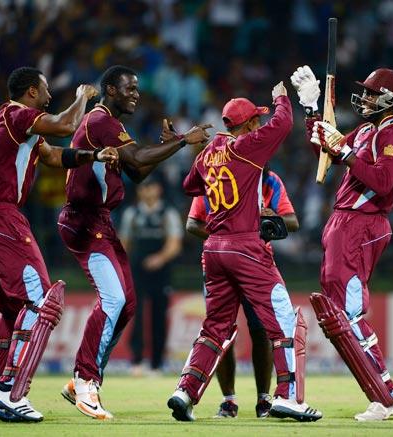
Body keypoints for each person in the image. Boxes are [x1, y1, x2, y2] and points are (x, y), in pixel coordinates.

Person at [0, 66, 118, 422]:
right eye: (45, 89)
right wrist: (83, 98)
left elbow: (51, 156)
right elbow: (65, 125)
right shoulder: (19, 114)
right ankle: (10, 392)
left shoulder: (9, 121)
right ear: (32, 92)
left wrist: (93, 156)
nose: (49, 94)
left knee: (13, 305)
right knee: (41, 300)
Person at [57, 65, 211, 420]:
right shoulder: (100, 121)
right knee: (113, 301)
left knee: (126, 305)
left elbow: (138, 170)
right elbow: (138, 159)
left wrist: (167, 145)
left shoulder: (111, 124)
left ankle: (81, 378)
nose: (136, 94)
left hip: (99, 222)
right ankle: (85, 380)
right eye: (129, 88)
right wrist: (183, 141)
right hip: (84, 221)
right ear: (110, 89)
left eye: (137, 89)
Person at [167, 83, 322, 422]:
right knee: (283, 321)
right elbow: (282, 124)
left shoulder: (209, 152)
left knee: (215, 327)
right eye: (255, 121)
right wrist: (281, 95)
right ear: (249, 125)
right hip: (246, 246)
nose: (258, 126)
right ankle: (287, 397)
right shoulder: (248, 147)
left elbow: (190, 186)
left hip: (213, 250)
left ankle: (185, 391)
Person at [290, 65, 393, 421]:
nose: (366, 98)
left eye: (373, 93)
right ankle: (384, 391)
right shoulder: (367, 130)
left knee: (350, 313)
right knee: (341, 315)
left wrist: (344, 153)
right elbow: (326, 157)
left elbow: (384, 181)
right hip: (345, 222)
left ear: (390, 99)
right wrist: (311, 110)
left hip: (362, 224)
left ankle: (387, 395)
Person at [186, 167, 299, 418]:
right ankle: (229, 401)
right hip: (222, 265)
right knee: (222, 334)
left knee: (261, 331)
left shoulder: (270, 180)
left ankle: (264, 400)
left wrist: (268, 219)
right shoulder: (214, 177)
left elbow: (292, 221)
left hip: (255, 264)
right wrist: (227, 236)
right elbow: (192, 223)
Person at [120, 173, 184, 376]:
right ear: (139, 191)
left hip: (161, 273)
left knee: (159, 317)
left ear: (159, 190)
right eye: (144, 188)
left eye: (151, 187)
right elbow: (124, 243)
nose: (147, 191)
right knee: (135, 316)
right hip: (137, 271)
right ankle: (136, 361)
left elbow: (174, 244)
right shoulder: (132, 213)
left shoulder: (168, 213)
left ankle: (156, 364)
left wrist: (160, 258)